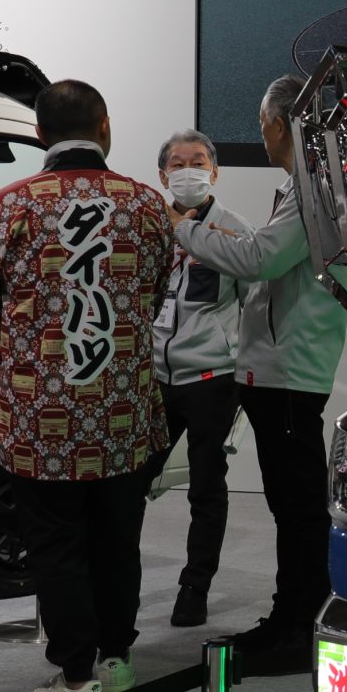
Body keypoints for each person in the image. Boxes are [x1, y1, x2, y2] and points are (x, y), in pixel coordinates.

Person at [0, 79, 173, 692]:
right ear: (105, 127)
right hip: (124, 409)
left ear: (39, 134)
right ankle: (117, 658)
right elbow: (153, 294)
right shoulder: (146, 205)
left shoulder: (6, 207)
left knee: (56, 543)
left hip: (41, 414)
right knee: (119, 538)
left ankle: (76, 673)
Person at [167, 75, 347, 673]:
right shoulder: (309, 184)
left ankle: (300, 627)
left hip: (289, 371)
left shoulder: (313, 187)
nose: (262, 135)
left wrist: (183, 228)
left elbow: (260, 258)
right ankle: (291, 616)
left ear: (279, 124)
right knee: (291, 505)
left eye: (262, 124)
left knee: (297, 508)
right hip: (280, 369)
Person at [148, 129, 253, 628]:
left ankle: (195, 587)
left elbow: (255, 305)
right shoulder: (149, 227)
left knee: (206, 488)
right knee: (130, 483)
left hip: (212, 378)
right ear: (162, 175)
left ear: (214, 172)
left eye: (197, 161)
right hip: (153, 378)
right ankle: (119, 581)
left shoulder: (235, 231)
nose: (187, 170)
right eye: (177, 163)